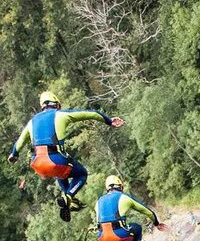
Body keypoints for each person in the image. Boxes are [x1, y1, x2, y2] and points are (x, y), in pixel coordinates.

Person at [9, 91, 122, 222]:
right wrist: (109, 121)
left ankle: (68, 199)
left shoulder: (32, 122)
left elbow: (19, 143)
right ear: (56, 104)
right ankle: (68, 197)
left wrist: (14, 155)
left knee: (60, 171)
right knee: (81, 173)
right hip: (55, 159)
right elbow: (91, 113)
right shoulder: (61, 114)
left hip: (37, 164)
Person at [95, 175, 166, 241]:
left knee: (121, 236)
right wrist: (156, 223)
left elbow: (102, 221)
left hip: (103, 237)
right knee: (137, 228)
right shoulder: (123, 197)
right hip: (118, 234)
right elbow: (148, 212)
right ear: (120, 186)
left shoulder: (99, 201)